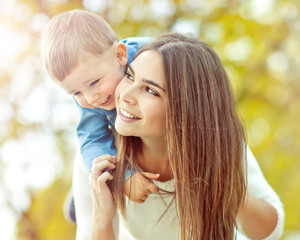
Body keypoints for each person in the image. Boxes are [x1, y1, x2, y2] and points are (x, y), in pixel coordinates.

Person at [85, 32, 285, 239]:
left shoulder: (221, 145)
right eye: (129, 76)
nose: (125, 95)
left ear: (187, 109)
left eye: (151, 91)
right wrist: (102, 217)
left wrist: (226, 185)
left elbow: (270, 233)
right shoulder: (99, 159)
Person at [40, 9, 159, 223]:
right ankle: (79, 193)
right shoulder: (93, 98)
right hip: (122, 134)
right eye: (76, 93)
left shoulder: (154, 57)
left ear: (120, 55)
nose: (91, 98)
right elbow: (92, 138)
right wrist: (124, 177)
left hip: (149, 126)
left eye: (94, 83)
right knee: (93, 155)